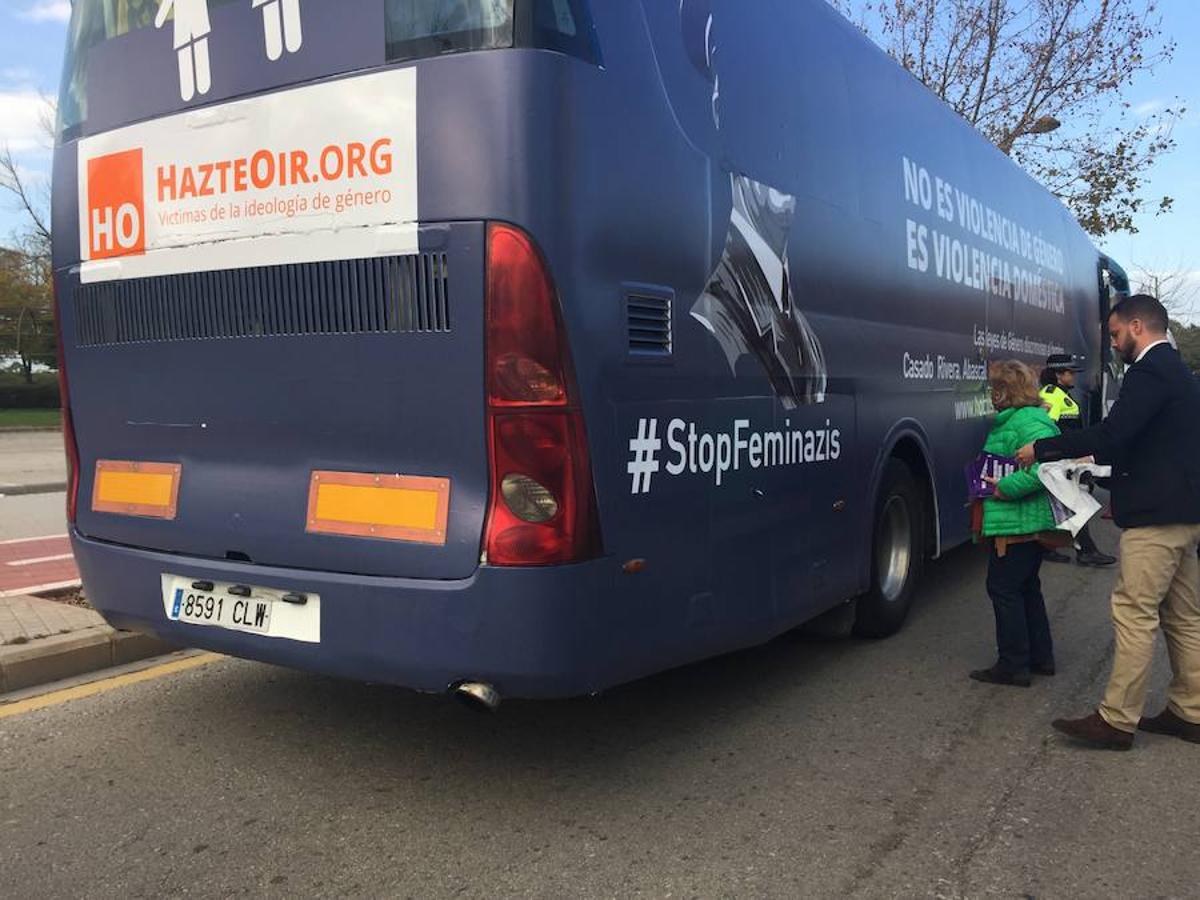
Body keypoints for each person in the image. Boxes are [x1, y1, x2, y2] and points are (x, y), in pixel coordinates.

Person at [1016, 294, 1200, 750]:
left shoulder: (1149, 372)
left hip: (1154, 519)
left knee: (1134, 613)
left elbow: (1116, 435)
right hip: (1183, 512)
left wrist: (1043, 449)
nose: (1114, 344)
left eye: (1116, 334)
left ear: (1137, 326)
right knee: (1183, 617)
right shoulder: (1181, 374)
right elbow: (1145, 440)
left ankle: (1117, 720)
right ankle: (1190, 711)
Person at [970, 360, 1063, 688]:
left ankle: (1013, 665)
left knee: (1004, 588)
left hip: (1018, 525)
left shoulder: (1027, 422)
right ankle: (1040, 657)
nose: (991, 395)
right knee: (1025, 588)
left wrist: (1005, 488)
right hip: (1021, 522)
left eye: (996, 388)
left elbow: (1047, 467)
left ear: (1008, 391)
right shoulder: (1027, 420)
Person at [1037, 355, 1116, 568]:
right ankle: (1086, 551)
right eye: (1069, 372)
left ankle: (1052, 548)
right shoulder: (1051, 395)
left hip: (1067, 459)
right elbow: (1047, 429)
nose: (1073, 376)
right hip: (1059, 460)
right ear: (1057, 375)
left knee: (1070, 505)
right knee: (1076, 505)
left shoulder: (1062, 395)